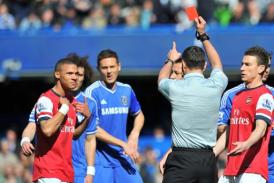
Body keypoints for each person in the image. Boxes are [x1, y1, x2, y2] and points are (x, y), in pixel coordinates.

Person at [157, 16, 228, 183]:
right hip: (207, 160)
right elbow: (217, 64)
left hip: (180, 159)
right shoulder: (215, 85)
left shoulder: (175, 88)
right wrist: (203, 35)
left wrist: (170, 60)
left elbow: (161, 80)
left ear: (183, 66)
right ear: (204, 65)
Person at [21, 55, 95, 183]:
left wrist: (87, 118)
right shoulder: (46, 99)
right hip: (48, 171)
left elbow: (74, 134)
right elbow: (47, 130)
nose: (75, 78)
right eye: (70, 73)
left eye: (77, 74)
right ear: (57, 74)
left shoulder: (72, 101)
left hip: (66, 172)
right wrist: (25, 140)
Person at [214, 46, 273, 183]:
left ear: (260, 68)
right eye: (242, 64)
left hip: (253, 170)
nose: (242, 68)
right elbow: (229, 130)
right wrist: (213, 153)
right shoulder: (236, 96)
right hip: (231, 168)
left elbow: (261, 128)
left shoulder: (265, 96)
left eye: (247, 65)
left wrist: (246, 144)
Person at [84, 49, 145, 183]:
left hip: (122, 156)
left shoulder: (126, 90)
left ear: (119, 66)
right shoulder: (92, 92)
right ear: (99, 69)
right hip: (99, 159)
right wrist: (123, 143)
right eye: (104, 68)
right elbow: (93, 128)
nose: (109, 71)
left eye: (112, 66)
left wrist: (134, 134)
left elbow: (139, 115)